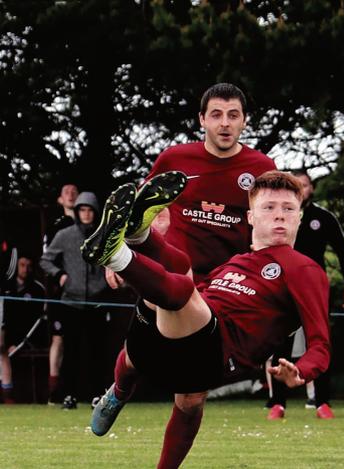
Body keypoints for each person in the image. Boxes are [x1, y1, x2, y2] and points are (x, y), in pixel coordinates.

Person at [85, 170, 330, 469]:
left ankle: (121, 253)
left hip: (221, 350)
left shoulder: (305, 269)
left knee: (182, 289)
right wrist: (148, 281)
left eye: (289, 209)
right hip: (186, 322)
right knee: (174, 287)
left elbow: (320, 344)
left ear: (300, 218)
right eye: (269, 207)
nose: (279, 216)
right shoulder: (235, 262)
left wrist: (301, 371)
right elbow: (194, 293)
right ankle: (138, 238)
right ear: (251, 217)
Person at [101, 83, 277, 433]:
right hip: (172, 271)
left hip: (223, 289)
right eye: (216, 115)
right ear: (202, 120)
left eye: (233, 115)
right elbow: (142, 209)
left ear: (245, 122)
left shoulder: (261, 167)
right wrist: (116, 257)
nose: (224, 123)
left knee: (192, 397)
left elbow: (271, 224)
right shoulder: (174, 159)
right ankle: (118, 392)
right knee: (136, 357)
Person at [267, 169, 344, 420]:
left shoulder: (323, 218)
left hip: (314, 291)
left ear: (311, 189)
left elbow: (342, 251)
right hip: (282, 289)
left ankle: (322, 402)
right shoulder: (277, 217)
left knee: (319, 344)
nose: (301, 189)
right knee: (279, 344)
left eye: (304, 185)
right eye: (296, 185)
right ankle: (278, 402)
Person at [39, 191, 109, 408]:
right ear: (77, 212)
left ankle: (99, 394)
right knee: (71, 351)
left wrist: (108, 280)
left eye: (90, 210)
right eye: (82, 210)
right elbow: (45, 260)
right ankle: (68, 395)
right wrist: (60, 275)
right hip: (70, 302)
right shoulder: (65, 235)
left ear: (96, 213)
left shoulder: (104, 234)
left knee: (97, 351)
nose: (86, 214)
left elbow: (116, 261)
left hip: (97, 302)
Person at [0, 255, 47, 403]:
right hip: (7, 337)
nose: (25, 269)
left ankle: (7, 397)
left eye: (28, 265)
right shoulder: (6, 287)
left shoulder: (38, 289)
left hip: (27, 338)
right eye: (21, 265)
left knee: (2, 351)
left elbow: (37, 322)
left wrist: (20, 342)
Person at [43, 183, 79, 250]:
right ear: (60, 199)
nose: (71, 195)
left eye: (74, 191)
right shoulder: (54, 227)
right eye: (66, 192)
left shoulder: (91, 223)